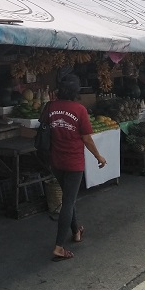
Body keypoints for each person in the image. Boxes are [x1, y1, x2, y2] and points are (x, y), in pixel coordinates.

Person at [41, 73, 106, 262]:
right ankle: (59, 246)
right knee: (68, 202)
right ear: (76, 91)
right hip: (73, 162)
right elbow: (86, 138)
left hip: (56, 161)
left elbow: (43, 125)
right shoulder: (79, 110)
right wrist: (98, 156)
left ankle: (76, 231)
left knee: (69, 197)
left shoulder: (50, 107)